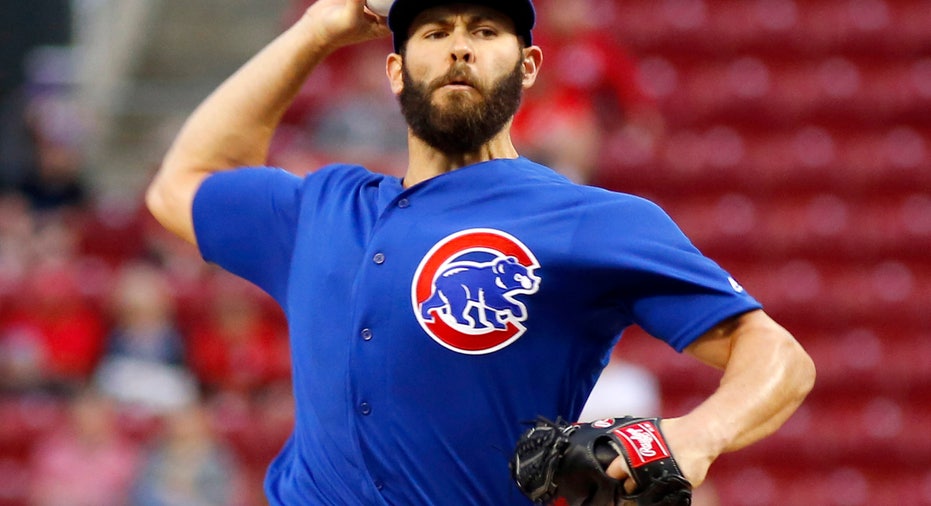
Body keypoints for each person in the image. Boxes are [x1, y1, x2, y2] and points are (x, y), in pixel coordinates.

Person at [145, 0, 816, 504]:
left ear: (528, 67)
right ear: (395, 70)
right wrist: (315, 32)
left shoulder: (591, 221)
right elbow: (183, 184)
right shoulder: (322, 209)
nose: (460, 48)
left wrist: (696, 436)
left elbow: (776, 355)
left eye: (486, 31)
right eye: (434, 32)